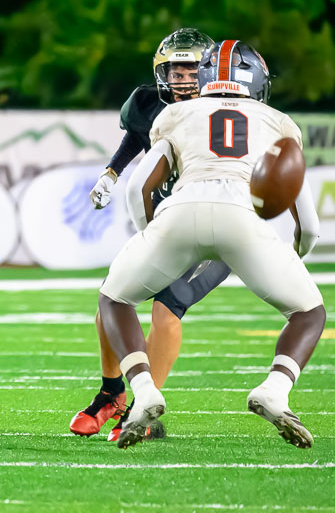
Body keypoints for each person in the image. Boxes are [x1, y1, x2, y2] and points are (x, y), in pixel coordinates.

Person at [97, 39, 324, 449]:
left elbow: (137, 187)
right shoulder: (279, 122)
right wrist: (294, 255)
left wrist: (152, 235)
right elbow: (308, 225)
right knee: (308, 313)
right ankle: (275, 390)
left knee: (114, 299)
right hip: (244, 221)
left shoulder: (175, 114)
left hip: (180, 212)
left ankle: (144, 391)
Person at [70, 28, 232, 442]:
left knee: (165, 312)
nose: (183, 80)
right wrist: (111, 173)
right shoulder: (149, 105)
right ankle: (112, 393)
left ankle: (144, 410)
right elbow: (136, 137)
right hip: (168, 226)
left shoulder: (228, 112)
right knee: (111, 303)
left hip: (217, 230)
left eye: (192, 71)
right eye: (176, 71)